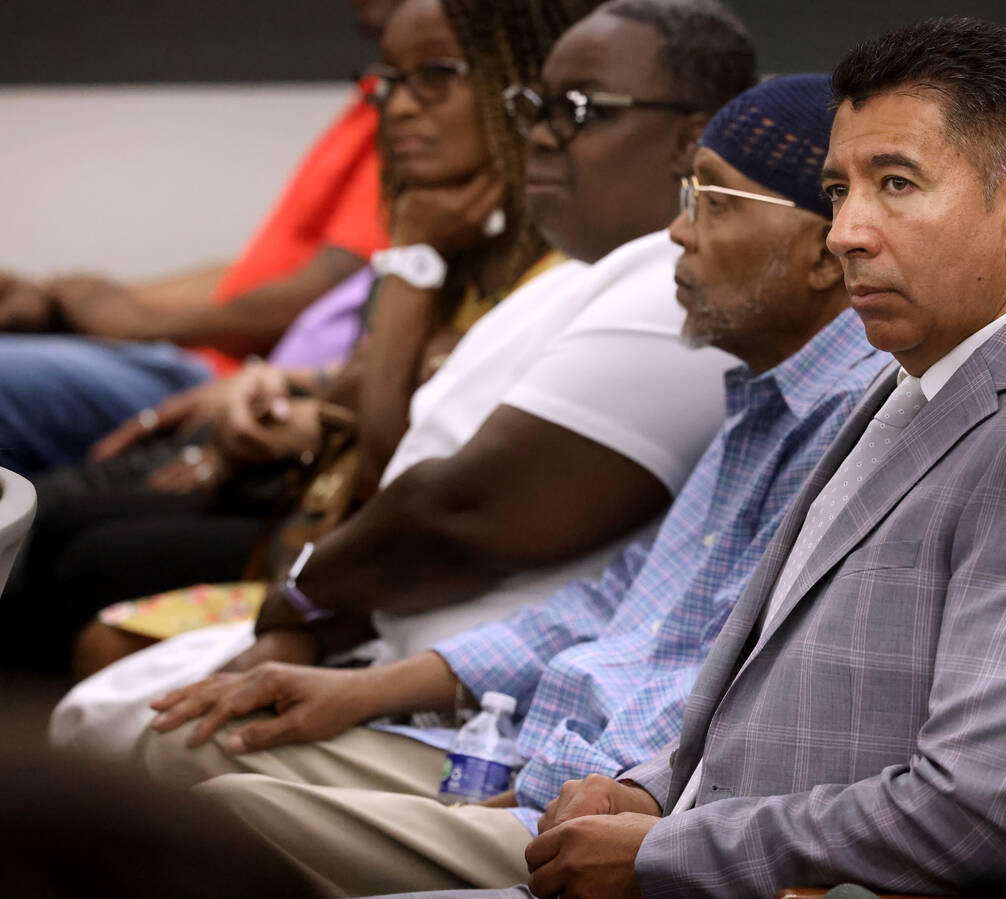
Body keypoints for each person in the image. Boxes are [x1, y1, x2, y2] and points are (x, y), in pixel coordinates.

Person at [133, 72, 889, 898]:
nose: (678, 232)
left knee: (217, 815)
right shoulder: (762, 395)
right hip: (536, 754)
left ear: (824, 253)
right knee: (185, 742)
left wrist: (580, 793)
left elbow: (754, 693)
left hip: (599, 811)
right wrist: (360, 688)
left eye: (714, 202)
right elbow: (616, 604)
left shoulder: (861, 425)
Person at [488, 17, 1006, 898]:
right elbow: (766, 694)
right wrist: (646, 786)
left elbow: (981, 814)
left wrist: (661, 852)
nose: (846, 230)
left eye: (894, 184)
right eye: (835, 188)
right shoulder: (919, 372)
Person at [50, 0, 757, 759]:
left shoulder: (672, 281)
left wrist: (298, 611)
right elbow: (392, 444)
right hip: (388, 640)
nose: (541, 134)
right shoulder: (575, 273)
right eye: (533, 107)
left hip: (479, 709)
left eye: (577, 109)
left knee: (118, 708)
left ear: (691, 136)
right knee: (94, 678)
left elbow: (457, 509)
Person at [0, 0, 588, 679]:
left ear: (516, 85)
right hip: (308, 495)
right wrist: (290, 392)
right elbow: (360, 379)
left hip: (360, 552)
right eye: (387, 80)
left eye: (433, 75)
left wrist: (411, 261)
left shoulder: (526, 264)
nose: (396, 107)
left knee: (87, 558)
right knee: (59, 521)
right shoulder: (459, 231)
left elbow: (389, 469)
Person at [0, 1, 398, 476]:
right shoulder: (379, 90)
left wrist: (127, 324)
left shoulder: (415, 112)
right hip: (206, 361)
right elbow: (256, 276)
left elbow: (318, 293)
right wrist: (74, 301)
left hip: (237, 377)